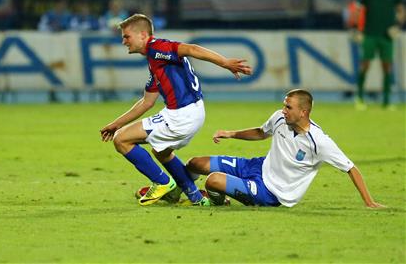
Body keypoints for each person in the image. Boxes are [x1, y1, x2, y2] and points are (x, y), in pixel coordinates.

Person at [100, 13, 252, 206]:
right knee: (161, 151)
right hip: (189, 112)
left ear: (143, 35)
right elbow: (146, 102)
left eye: (126, 36)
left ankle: (162, 183)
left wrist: (225, 63)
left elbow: (191, 48)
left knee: (122, 140)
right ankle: (196, 198)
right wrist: (115, 124)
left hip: (182, 114)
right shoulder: (156, 62)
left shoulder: (157, 48)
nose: (123, 41)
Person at [185, 89, 385, 209]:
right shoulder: (280, 118)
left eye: (289, 107)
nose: (283, 110)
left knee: (213, 181)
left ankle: (218, 203)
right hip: (257, 166)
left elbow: (350, 168)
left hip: (271, 192)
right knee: (195, 163)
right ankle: (177, 192)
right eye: (284, 105)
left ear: (303, 112)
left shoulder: (319, 141)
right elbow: (261, 132)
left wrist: (369, 201)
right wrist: (231, 133)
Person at [355, 0, 405, 110]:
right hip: (369, 33)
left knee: (387, 66)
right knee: (365, 65)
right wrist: (357, 28)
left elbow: (401, 10)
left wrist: (397, 25)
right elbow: (358, 10)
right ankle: (359, 98)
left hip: (386, 36)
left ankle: (387, 100)